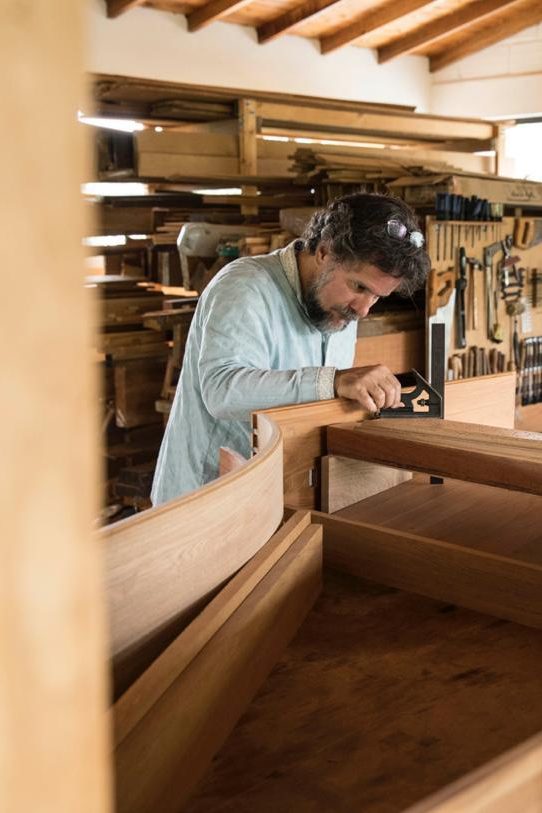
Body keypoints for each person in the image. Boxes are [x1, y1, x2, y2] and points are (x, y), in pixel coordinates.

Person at [151, 192, 430, 505]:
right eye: (359, 287)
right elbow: (222, 392)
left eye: (377, 296)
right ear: (324, 252)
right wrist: (333, 381)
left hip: (270, 498)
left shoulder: (340, 308)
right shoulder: (245, 287)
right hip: (200, 503)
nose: (364, 310)